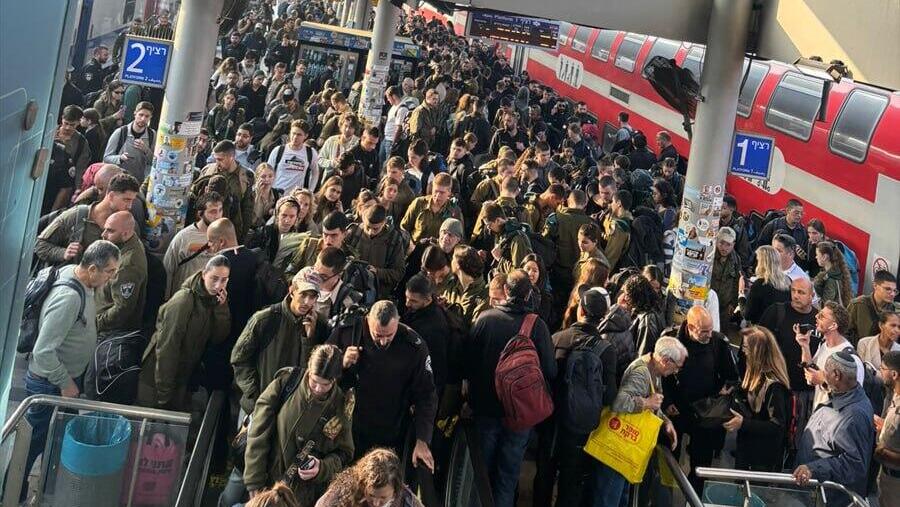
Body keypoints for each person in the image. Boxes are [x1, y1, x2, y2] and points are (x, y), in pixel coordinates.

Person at [19, 241, 120, 501]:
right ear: (93, 268)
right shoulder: (69, 298)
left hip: (62, 381)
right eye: (110, 271)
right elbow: (43, 351)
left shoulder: (80, 279)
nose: (112, 277)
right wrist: (65, 383)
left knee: (57, 440)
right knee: (32, 444)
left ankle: (44, 491)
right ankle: (13, 493)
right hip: (50, 384)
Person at [465, 270, 556, 507]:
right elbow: (550, 370)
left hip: (485, 409)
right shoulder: (537, 326)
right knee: (507, 476)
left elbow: (468, 363)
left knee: (481, 475)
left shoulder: (485, 319)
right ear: (528, 295)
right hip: (520, 413)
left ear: (506, 290)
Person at [242, 345, 353, 505]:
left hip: (299, 497)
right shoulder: (287, 382)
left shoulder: (341, 408)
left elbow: (344, 454)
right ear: (309, 369)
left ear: (335, 379)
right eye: (314, 381)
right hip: (264, 481)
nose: (318, 389)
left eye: (325, 384)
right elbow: (259, 432)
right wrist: (254, 481)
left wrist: (321, 468)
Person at [330, 301, 438, 467]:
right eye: (378, 335)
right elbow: (319, 372)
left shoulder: (413, 346)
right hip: (348, 428)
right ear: (368, 321)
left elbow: (426, 395)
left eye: (389, 335)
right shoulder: (347, 333)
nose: (383, 341)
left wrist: (422, 440)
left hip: (389, 430)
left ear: (398, 322)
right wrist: (341, 364)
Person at [549, 286, 619, 507]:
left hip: (552, 421)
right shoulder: (606, 350)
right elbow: (610, 396)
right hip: (581, 426)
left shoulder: (557, 338)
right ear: (603, 316)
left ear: (580, 310)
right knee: (571, 480)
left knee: (545, 471)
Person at [593, 337, 683, 507]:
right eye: (677, 366)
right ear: (665, 360)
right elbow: (618, 402)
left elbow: (653, 404)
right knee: (608, 499)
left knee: (620, 498)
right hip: (618, 450)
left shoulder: (654, 370)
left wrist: (665, 421)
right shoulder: (641, 373)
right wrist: (646, 403)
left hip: (624, 450)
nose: (676, 371)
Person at [137, 255, 232, 411]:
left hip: (181, 379)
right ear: (204, 274)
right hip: (156, 380)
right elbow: (167, 348)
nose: (218, 285)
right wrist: (164, 394)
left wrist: (221, 309)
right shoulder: (184, 301)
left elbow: (218, 337)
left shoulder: (212, 301)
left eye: (223, 280)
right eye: (214, 278)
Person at [661, 306, 738, 491]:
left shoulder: (718, 343)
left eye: (711, 330)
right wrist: (667, 402)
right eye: (704, 331)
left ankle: (694, 495)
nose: (709, 335)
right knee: (668, 457)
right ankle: (664, 492)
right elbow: (660, 374)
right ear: (690, 327)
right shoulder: (670, 340)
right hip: (676, 410)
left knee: (701, 464)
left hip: (705, 412)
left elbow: (732, 375)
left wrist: (725, 389)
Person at [793, 351, 874, 505]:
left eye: (826, 371)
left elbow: (854, 465)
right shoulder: (847, 394)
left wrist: (813, 469)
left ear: (836, 375)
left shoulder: (853, 416)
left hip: (828, 498)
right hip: (816, 493)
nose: (823, 374)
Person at [758, 277, 818, 448]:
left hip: (803, 393)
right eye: (793, 291)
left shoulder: (817, 320)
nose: (796, 295)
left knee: (795, 441)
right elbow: (758, 344)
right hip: (775, 388)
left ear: (812, 295)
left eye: (801, 292)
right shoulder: (776, 312)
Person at [35, 172, 139, 266]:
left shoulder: (127, 224)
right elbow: (40, 245)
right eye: (126, 200)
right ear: (111, 196)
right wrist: (63, 253)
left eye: (132, 201)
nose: (129, 206)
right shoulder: (76, 216)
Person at [725, 326, 791, 471]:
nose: (743, 351)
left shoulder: (774, 386)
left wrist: (744, 423)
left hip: (761, 460)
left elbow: (777, 426)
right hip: (748, 450)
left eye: (746, 347)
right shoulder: (755, 372)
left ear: (757, 351)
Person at [796, 301, 863, 409]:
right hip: (820, 412)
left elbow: (853, 396)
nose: (816, 316)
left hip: (837, 415)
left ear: (833, 325)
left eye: (821, 316)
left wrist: (823, 380)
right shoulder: (823, 345)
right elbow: (811, 373)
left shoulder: (850, 358)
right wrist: (805, 346)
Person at [315, 448, 425, 507]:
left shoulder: (407, 501)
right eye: (371, 495)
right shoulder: (341, 494)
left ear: (395, 491)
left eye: (383, 498)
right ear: (363, 484)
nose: (376, 503)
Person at [163, 192, 223, 297]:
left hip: (208, 300)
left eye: (220, 210)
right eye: (213, 211)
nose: (218, 216)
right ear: (200, 214)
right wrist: (167, 298)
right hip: (184, 298)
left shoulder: (223, 236)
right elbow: (168, 268)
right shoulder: (183, 237)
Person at [96, 211, 147, 332]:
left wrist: (95, 324)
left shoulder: (127, 265)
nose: (103, 235)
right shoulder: (128, 242)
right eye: (105, 229)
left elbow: (122, 309)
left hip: (110, 330)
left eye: (110, 231)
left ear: (126, 233)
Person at [194, 140, 255, 241]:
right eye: (216, 159)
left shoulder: (245, 177)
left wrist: (240, 238)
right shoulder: (208, 170)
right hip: (203, 229)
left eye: (220, 159)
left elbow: (247, 209)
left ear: (231, 157)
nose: (217, 163)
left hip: (229, 231)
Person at [344, 204, 407, 300]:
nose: (370, 232)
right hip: (349, 289)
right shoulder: (354, 231)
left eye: (375, 228)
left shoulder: (394, 240)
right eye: (368, 227)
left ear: (384, 222)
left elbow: (399, 273)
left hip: (376, 294)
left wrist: (377, 272)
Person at [403, 274, 450, 395]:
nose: (407, 303)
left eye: (413, 301)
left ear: (428, 300)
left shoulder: (434, 329)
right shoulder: (416, 311)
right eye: (407, 298)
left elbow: (436, 368)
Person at [401, 173, 463, 244]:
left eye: (442, 192)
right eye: (436, 191)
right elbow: (404, 228)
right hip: (415, 246)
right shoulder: (419, 203)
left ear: (449, 192)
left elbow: (459, 238)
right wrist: (410, 244)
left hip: (438, 249)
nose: (437, 195)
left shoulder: (454, 211)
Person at [103, 101, 155, 181]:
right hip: (119, 181)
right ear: (135, 114)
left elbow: (155, 161)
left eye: (147, 116)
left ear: (150, 117)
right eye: (141, 115)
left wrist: (146, 150)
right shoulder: (120, 132)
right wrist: (120, 158)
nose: (143, 119)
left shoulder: (152, 134)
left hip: (139, 181)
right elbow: (106, 157)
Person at [875, 351, 900, 507]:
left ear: (894, 374)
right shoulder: (893, 396)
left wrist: (883, 453)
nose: (880, 372)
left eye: (882, 369)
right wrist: (884, 425)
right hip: (885, 477)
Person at [481, 201, 532, 276]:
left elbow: (518, 273)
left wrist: (499, 258)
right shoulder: (501, 234)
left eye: (489, 225)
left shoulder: (517, 238)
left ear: (498, 220)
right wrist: (487, 256)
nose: (488, 228)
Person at [847, 270, 899, 344]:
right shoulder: (859, 304)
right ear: (875, 286)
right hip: (859, 348)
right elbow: (845, 331)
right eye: (888, 289)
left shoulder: (894, 309)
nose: (892, 294)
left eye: (894, 291)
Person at [743, 245, 792, 324]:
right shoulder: (788, 281)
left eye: (757, 260)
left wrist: (741, 295)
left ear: (762, 263)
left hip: (762, 328)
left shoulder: (759, 284)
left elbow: (747, 315)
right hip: (782, 327)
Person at [268, 120, 319, 193]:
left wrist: (310, 191)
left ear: (306, 136)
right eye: (293, 133)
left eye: (299, 135)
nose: (295, 137)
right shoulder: (278, 150)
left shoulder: (310, 153)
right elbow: (268, 171)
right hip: (277, 193)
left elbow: (315, 173)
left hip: (296, 195)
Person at [443, 245, 489, 323]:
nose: (451, 261)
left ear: (458, 265)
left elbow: (473, 326)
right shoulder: (452, 285)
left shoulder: (483, 296)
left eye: (453, 258)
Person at [711, 227, 742, 328]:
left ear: (733, 244)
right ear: (716, 240)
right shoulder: (709, 255)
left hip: (725, 308)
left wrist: (733, 303)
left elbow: (737, 282)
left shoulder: (736, 260)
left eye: (728, 244)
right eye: (721, 243)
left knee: (722, 332)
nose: (724, 248)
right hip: (708, 303)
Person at [813, 240, 853, 307]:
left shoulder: (830, 280)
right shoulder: (838, 272)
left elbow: (827, 305)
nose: (816, 257)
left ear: (825, 257)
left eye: (817, 254)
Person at [601, 190, 633, 270]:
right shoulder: (626, 220)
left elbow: (611, 256)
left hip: (612, 269)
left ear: (618, 203)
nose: (611, 204)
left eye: (613, 202)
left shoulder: (619, 228)